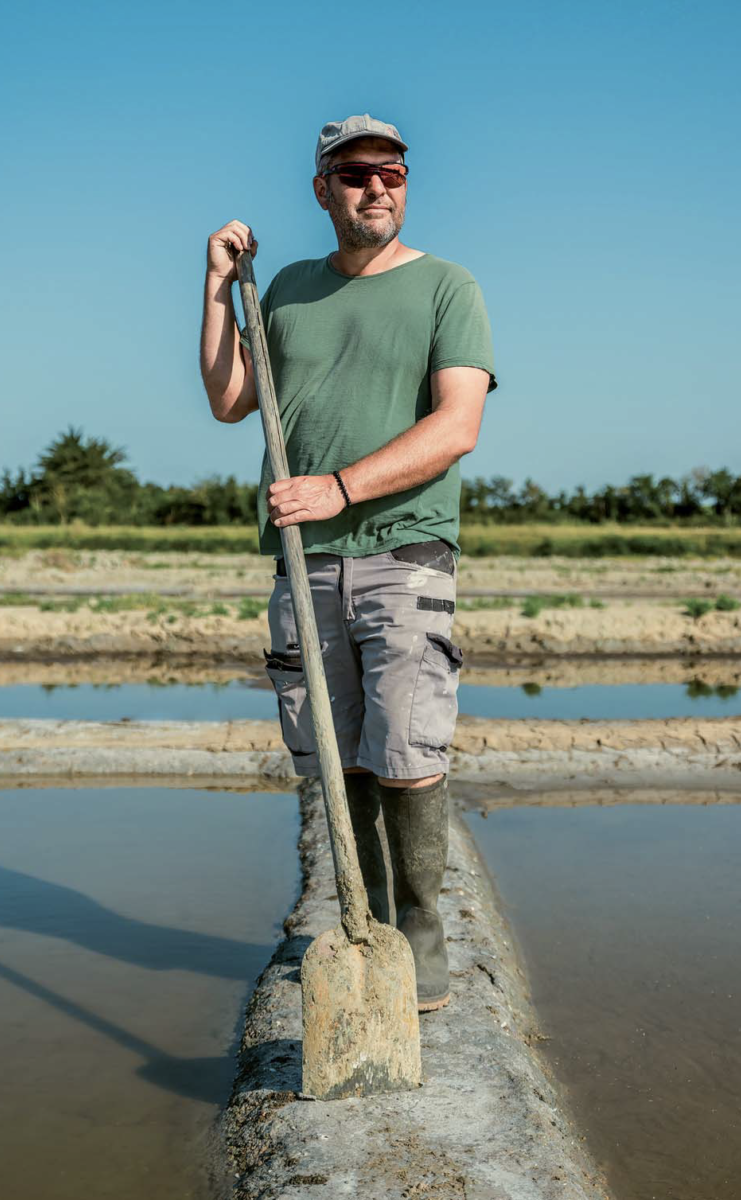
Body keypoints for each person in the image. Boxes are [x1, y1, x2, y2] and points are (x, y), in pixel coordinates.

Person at [200, 113, 496, 1012]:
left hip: (403, 549)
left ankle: (422, 943)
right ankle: (360, 928)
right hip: (301, 561)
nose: (379, 188)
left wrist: (340, 486)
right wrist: (217, 287)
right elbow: (228, 399)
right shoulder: (284, 287)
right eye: (358, 174)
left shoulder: (449, 287)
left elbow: (457, 427)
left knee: (406, 750)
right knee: (338, 759)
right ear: (323, 188)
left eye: (393, 174)